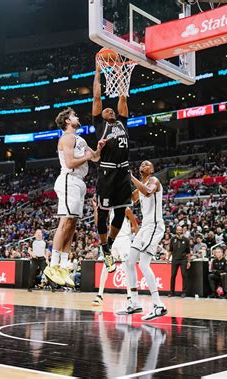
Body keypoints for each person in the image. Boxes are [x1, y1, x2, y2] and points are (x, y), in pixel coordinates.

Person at [44, 107, 104, 287]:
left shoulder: (80, 139)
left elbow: (94, 158)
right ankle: (53, 265)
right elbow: (70, 163)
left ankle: (63, 266)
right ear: (68, 121)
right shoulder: (66, 138)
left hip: (79, 182)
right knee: (65, 222)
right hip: (68, 179)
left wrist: (99, 149)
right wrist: (87, 156)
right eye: (74, 115)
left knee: (72, 225)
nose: (77, 117)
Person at [92, 59, 132, 274]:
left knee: (120, 212)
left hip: (123, 170)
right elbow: (97, 96)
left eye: (111, 109)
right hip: (107, 171)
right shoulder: (99, 124)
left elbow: (122, 96)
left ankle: (109, 245)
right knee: (103, 213)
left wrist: (119, 73)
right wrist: (98, 71)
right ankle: (104, 246)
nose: (109, 110)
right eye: (106, 110)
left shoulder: (122, 123)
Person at [125, 161, 167, 320]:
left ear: (152, 169)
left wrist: (131, 177)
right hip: (144, 228)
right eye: (142, 164)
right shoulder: (139, 187)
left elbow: (148, 192)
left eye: (147, 164)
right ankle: (134, 302)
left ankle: (159, 305)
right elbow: (130, 199)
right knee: (129, 262)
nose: (144, 165)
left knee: (143, 263)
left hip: (155, 226)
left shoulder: (154, 181)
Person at [91, 195, 139, 307]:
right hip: (112, 240)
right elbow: (99, 223)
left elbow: (136, 226)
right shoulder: (110, 210)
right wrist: (95, 208)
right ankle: (99, 295)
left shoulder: (126, 209)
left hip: (124, 240)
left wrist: (137, 242)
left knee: (128, 268)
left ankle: (130, 295)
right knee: (106, 266)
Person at [167, 226, 191, 297]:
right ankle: (171, 291)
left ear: (182, 231)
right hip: (175, 259)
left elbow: (188, 252)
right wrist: (168, 259)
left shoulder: (186, 240)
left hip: (183, 259)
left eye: (180, 230)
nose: (179, 231)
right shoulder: (172, 239)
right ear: (176, 231)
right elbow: (170, 250)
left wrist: (189, 261)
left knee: (184, 275)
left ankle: (184, 292)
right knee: (173, 275)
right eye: (178, 230)